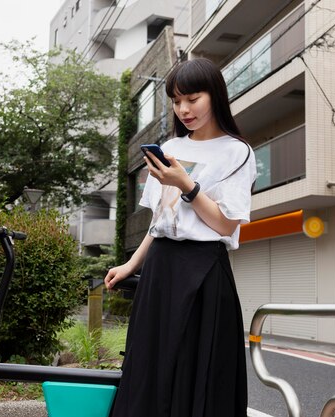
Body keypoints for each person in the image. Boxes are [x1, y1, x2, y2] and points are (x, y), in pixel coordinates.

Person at [104, 57, 256, 417]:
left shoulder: (237, 152)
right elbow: (161, 221)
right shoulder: (172, 149)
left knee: (194, 370)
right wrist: (130, 264)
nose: (183, 109)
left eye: (192, 98)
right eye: (176, 101)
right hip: (160, 269)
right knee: (148, 368)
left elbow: (224, 225)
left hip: (203, 272)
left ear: (214, 95)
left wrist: (187, 185)